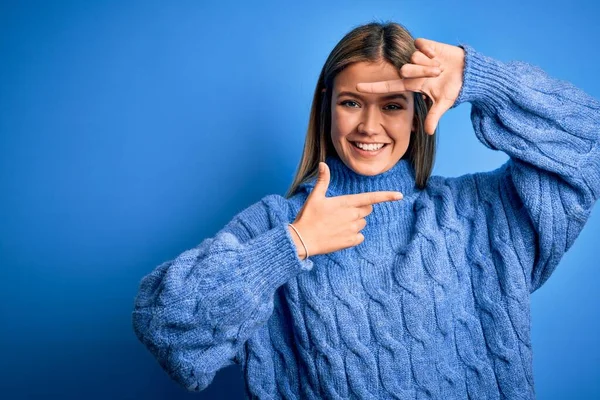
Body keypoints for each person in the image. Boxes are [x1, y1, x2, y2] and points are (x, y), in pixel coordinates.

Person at [132, 21, 600, 399]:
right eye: (352, 102)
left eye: (393, 105)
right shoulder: (278, 225)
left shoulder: (480, 214)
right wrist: (292, 245)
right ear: (327, 107)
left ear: (419, 115)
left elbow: (589, 144)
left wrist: (482, 78)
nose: (369, 126)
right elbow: (165, 328)